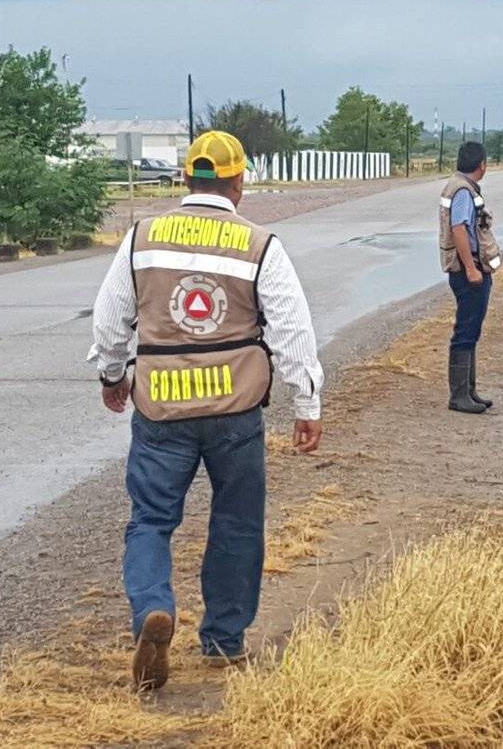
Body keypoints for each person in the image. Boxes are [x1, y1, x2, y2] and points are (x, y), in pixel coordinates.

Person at [87, 131, 323, 691]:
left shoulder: (142, 237)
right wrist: (307, 401)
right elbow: (292, 326)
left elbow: (109, 316)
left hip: (162, 408)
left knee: (150, 520)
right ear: (239, 182)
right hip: (235, 411)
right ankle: (223, 641)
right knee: (237, 522)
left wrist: (113, 375)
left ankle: (151, 608)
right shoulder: (259, 243)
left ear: (185, 180)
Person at [438, 141, 502, 414]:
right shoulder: (463, 191)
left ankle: (469, 391)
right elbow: (459, 229)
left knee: (471, 330)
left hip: (468, 268)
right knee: (466, 331)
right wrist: (472, 268)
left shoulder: (458, 185)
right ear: (482, 165)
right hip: (469, 270)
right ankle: (459, 395)